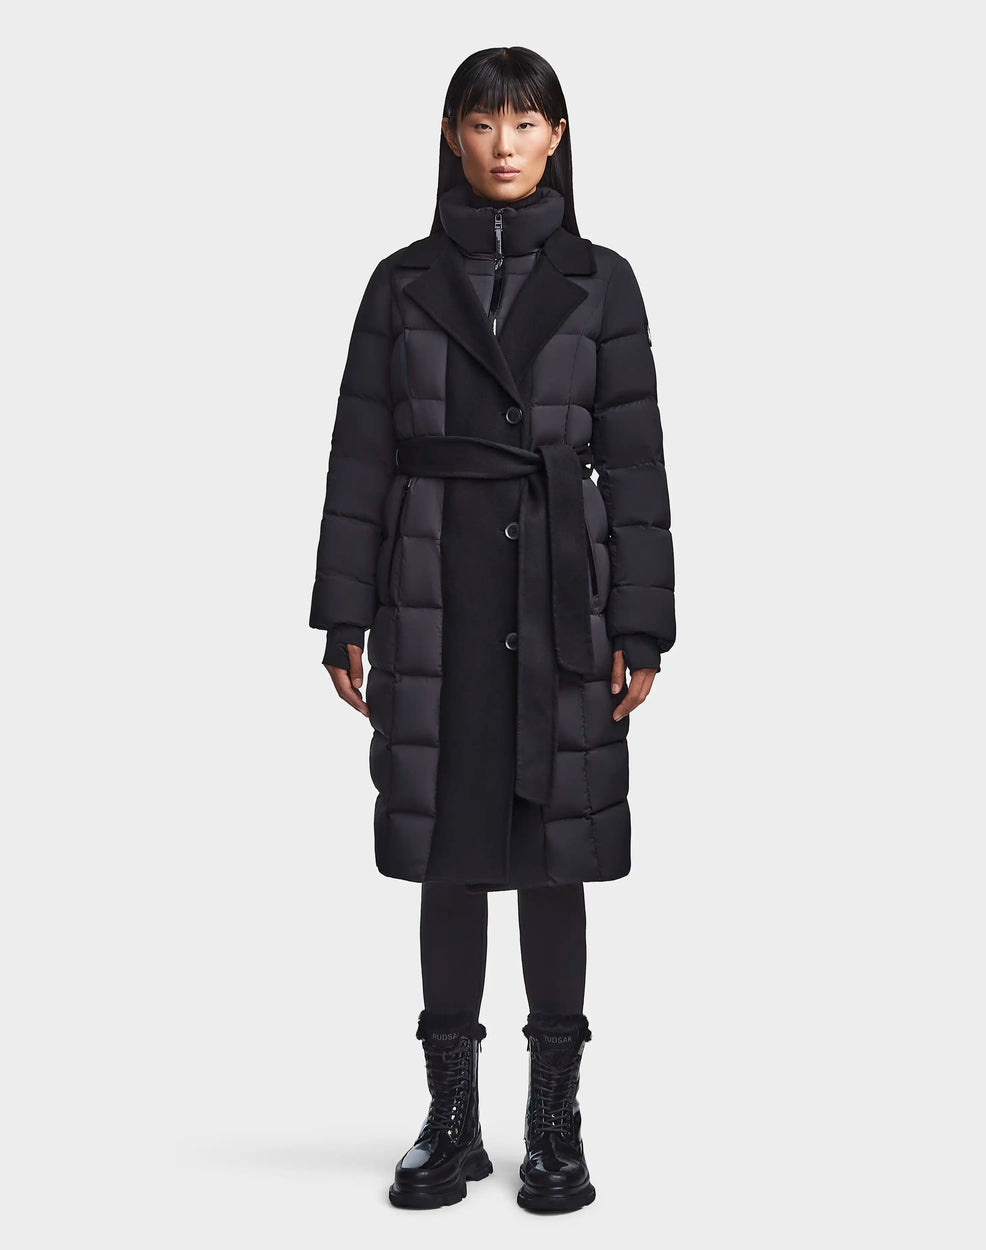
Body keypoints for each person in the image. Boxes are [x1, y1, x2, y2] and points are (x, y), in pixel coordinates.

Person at [308, 45, 675, 1213]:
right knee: (449, 851)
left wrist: (642, 624)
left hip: (560, 590)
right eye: (482, 123)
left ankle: (554, 1122)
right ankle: (451, 1118)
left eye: (525, 123)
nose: (503, 145)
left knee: (554, 849)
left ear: (557, 136)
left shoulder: (603, 283)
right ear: (452, 137)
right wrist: (342, 608)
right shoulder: (401, 283)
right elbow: (359, 452)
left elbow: (636, 465)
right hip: (435, 588)